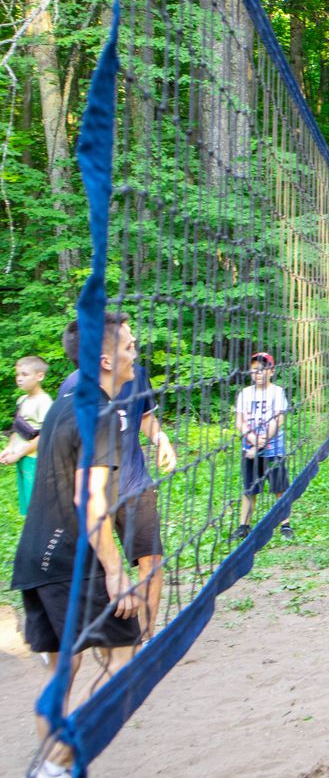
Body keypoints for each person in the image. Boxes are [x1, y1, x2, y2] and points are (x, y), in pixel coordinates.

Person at [11, 313, 143, 778]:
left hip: (35, 557)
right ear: (105, 359)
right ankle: (52, 768)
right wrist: (116, 571)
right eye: (128, 346)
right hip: (72, 561)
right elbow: (89, 502)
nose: (135, 353)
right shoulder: (100, 412)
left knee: (61, 673)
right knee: (122, 665)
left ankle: (54, 768)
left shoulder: (67, 400)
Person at [57, 322, 177, 641]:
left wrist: (161, 439)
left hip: (135, 484)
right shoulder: (73, 387)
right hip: (96, 491)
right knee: (100, 569)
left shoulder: (136, 374)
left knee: (152, 560)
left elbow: (145, 416)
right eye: (127, 341)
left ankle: (146, 638)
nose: (133, 345)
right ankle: (100, 637)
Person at [233, 352, 292, 542]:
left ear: (271, 372)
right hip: (249, 448)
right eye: (254, 370)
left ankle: (285, 524)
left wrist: (263, 439)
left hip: (273, 450)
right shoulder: (245, 393)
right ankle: (243, 526)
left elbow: (278, 419)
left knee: (279, 487)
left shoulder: (277, 392)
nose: (258, 373)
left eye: (262, 369)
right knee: (250, 489)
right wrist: (251, 437)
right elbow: (239, 421)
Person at [1, 355, 53, 516]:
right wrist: (9, 449)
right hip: (22, 458)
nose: (19, 378)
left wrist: (18, 454)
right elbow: (17, 429)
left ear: (40, 376)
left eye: (25, 374)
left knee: (37, 507)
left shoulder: (44, 402)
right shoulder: (22, 400)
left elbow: (44, 436)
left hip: (34, 460)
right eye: (18, 374)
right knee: (28, 507)